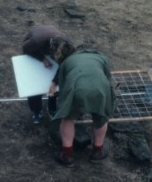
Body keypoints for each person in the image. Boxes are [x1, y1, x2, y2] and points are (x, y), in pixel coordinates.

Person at [48, 38, 117, 167]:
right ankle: (98, 151)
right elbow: (108, 77)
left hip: (75, 87)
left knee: (67, 118)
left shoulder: (68, 61)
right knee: (101, 117)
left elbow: (62, 84)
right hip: (100, 87)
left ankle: (67, 155)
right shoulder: (102, 58)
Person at [21, 25, 65, 124]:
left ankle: (52, 107)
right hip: (34, 50)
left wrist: (54, 82)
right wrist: (42, 58)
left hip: (50, 48)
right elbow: (25, 49)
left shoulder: (65, 44)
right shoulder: (35, 42)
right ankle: (36, 111)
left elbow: (64, 64)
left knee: (53, 84)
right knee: (34, 84)